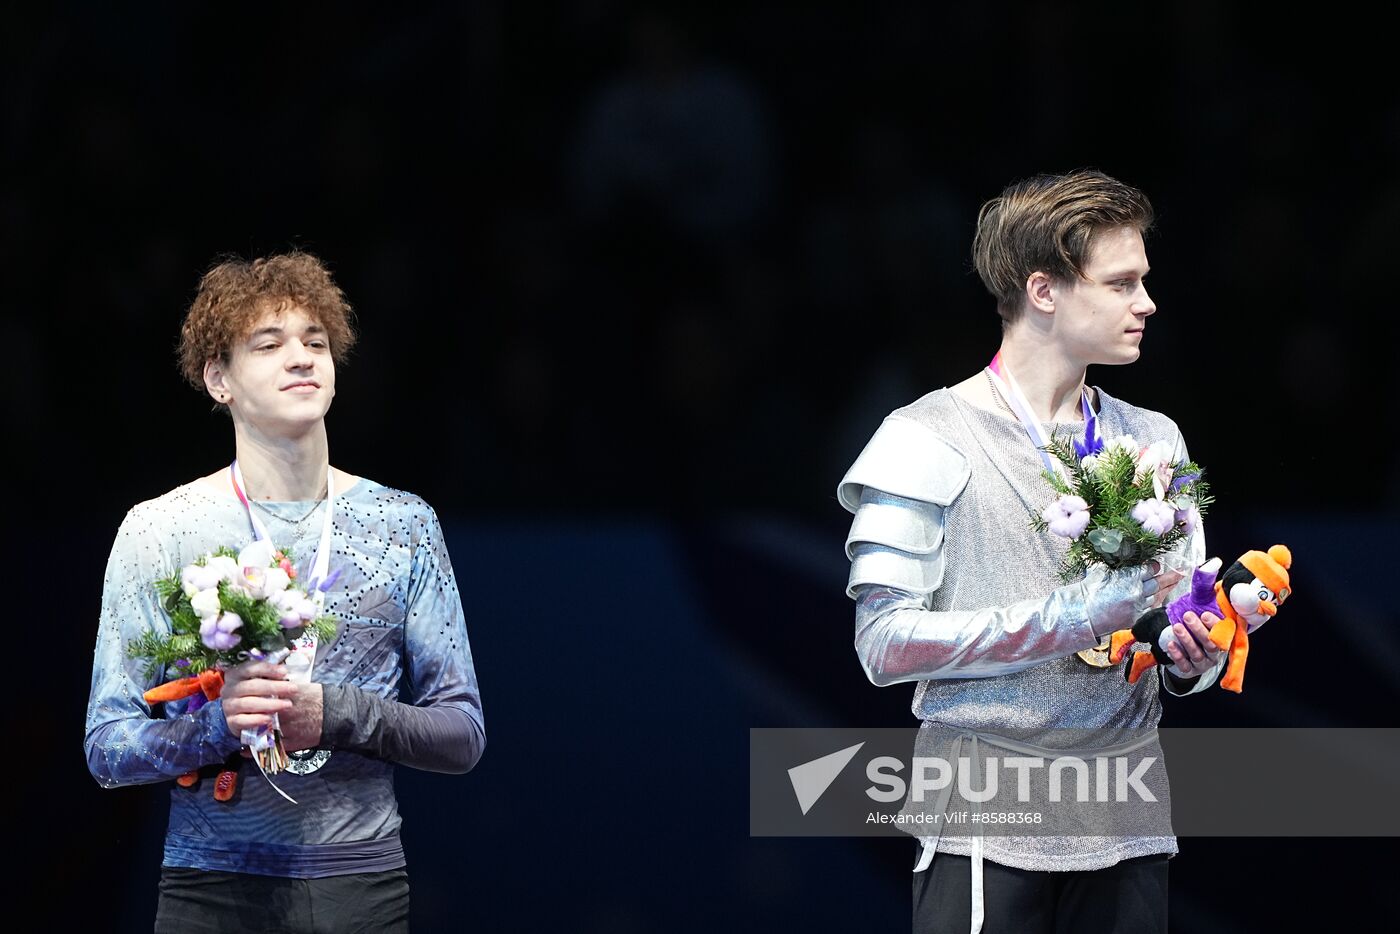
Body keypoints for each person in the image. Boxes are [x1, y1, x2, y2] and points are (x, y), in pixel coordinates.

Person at [836, 169, 1227, 934]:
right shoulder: (924, 437)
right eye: (1120, 284)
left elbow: (1185, 631)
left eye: (1142, 281)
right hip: (987, 821)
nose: (1146, 303)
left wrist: (1189, 655)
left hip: (1126, 815)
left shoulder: (1154, 439)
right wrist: (1074, 616)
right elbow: (882, 646)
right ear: (1043, 291)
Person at [84, 251, 486, 932]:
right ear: (219, 379)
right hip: (209, 887)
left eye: (316, 342)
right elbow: (107, 746)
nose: (301, 357)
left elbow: (463, 733)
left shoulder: (402, 524)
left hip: (360, 888)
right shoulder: (161, 529)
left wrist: (337, 713)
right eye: (268, 345)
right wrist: (217, 726)